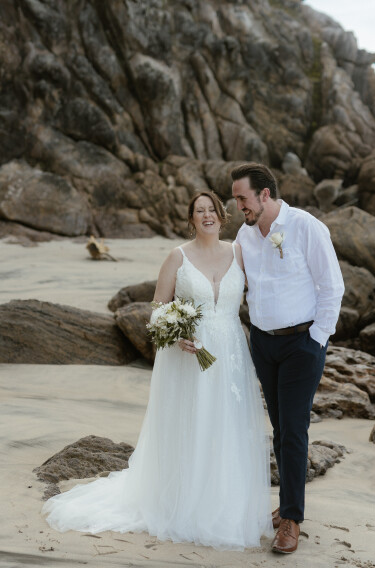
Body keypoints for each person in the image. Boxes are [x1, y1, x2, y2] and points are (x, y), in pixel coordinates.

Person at [42, 191, 273, 550]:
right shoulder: (177, 256)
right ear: (191, 219)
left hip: (230, 350)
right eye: (199, 211)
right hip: (190, 354)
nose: (207, 215)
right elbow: (158, 309)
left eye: (212, 209)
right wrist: (178, 335)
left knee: (227, 422)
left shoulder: (239, 252)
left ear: (221, 215)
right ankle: (186, 500)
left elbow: (264, 291)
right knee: (194, 423)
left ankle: (225, 501)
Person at [231, 163, 345, 555]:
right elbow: (233, 281)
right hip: (263, 344)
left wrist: (317, 339)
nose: (239, 206)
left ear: (264, 194)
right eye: (236, 200)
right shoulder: (245, 234)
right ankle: (288, 503)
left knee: (294, 430)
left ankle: (292, 519)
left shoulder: (306, 227)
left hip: (301, 344)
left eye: (243, 198)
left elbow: (332, 286)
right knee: (280, 428)